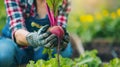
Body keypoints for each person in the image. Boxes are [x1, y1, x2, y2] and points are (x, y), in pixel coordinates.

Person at [0, 0, 72, 67]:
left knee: (64, 51)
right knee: (4, 55)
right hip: (16, 47)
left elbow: (60, 28)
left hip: (43, 49)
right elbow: (17, 32)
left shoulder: (63, 1)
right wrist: (34, 39)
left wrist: (61, 39)